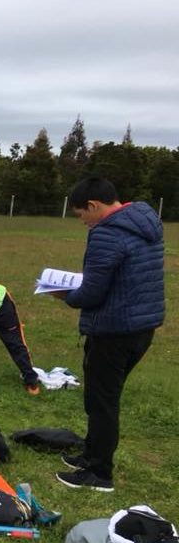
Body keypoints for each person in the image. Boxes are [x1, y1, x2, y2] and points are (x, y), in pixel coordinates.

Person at [51, 177, 164, 492]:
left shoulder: (106, 234)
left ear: (93, 206)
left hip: (114, 331)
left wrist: (63, 294)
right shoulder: (145, 221)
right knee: (101, 397)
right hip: (142, 328)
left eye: (80, 215)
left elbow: (91, 293)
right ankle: (90, 454)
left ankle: (99, 474)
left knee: (103, 402)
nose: (82, 222)